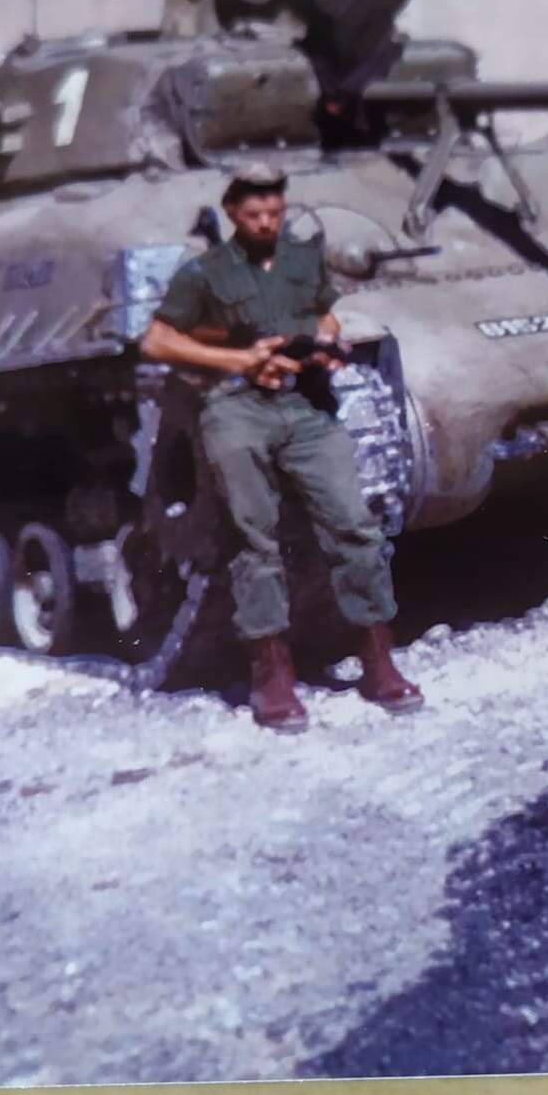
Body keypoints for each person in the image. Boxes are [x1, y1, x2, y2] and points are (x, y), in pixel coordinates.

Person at [139, 161, 423, 733]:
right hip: (235, 408)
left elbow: (325, 315)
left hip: (305, 406)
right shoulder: (205, 273)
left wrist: (324, 345)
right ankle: (272, 673)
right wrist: (240, 359)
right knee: (253, 537)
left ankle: (377, 659)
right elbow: (157, 340)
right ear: (232, 214)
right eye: (254, 214)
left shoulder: (301, 261)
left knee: (355, 526)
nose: (266, 223)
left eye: (273, 212)